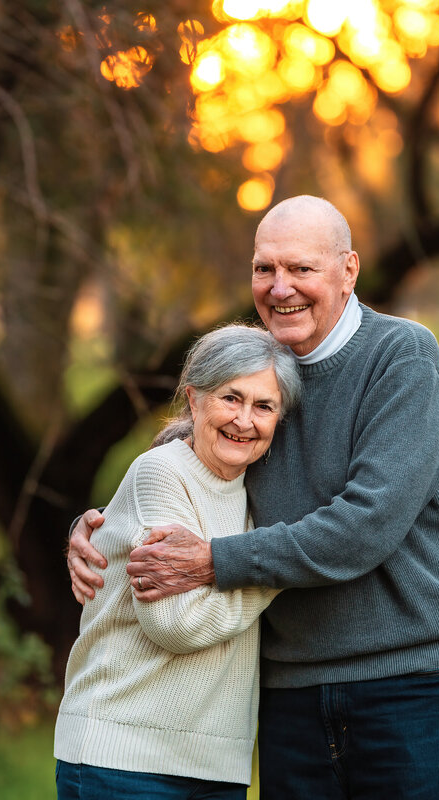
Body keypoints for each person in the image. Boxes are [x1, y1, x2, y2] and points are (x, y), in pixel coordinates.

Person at [69, 195, 439, 799]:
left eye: (301, 269)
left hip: (416, 684)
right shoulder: (256, 378)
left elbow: (365, 526)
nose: (280, 288)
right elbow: (185, 457)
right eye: (264, 269)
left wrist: (216, 560)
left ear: (347, 272)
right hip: (291, 697)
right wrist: (99, 529)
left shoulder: (402, 356)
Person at [54, 324, 302, 800]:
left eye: (264, 406)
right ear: (194, 400)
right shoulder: (163, 472)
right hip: (122, 754)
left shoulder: (260, 491)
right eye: (231, 398)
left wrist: (267, 559)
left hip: (215, 764)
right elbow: (176, 623)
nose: (245, 420)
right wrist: (281, 570)